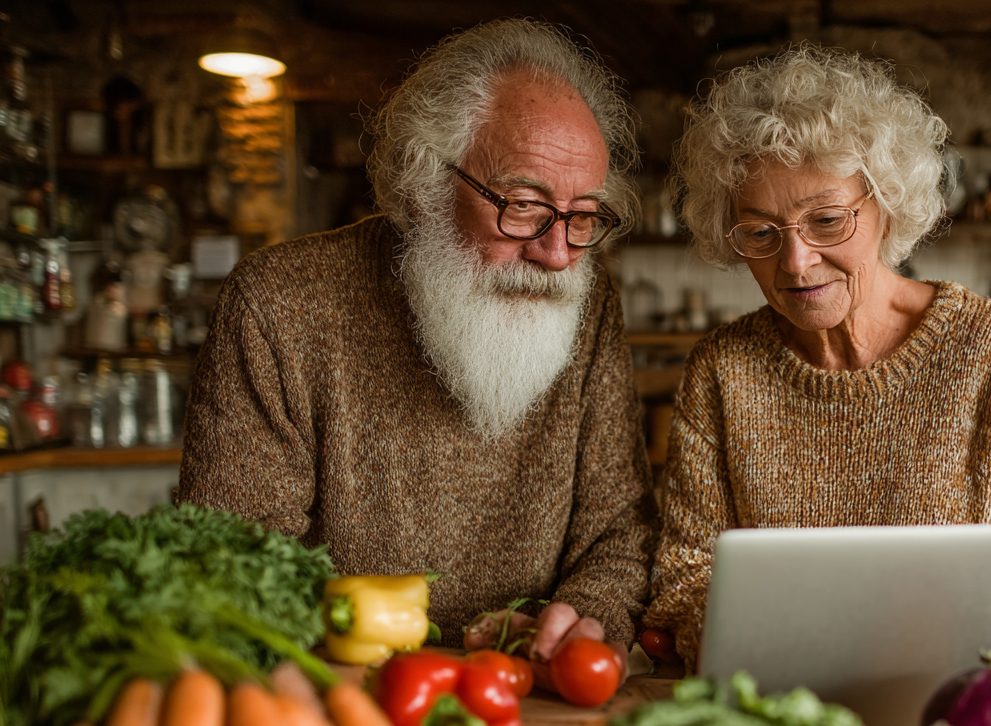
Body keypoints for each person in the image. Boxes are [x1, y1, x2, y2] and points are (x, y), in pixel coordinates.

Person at [179, 20, 658, 672]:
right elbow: (231, 563)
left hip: (531, 685)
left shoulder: (588, 303)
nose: (556, 254)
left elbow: (620, 527)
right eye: (523, 205)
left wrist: (577, 623)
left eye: (583, 217)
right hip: (337, 691)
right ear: (423, 187)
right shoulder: (277, 303)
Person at [644, 46, 991, 668]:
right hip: (780, 694)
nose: (795, 262)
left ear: (886, 206)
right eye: (760, 233)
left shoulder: (988, 350)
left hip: (945, 693)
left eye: (825, 221)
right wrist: (757, 638)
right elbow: (684, 577)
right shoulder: (722, 370)